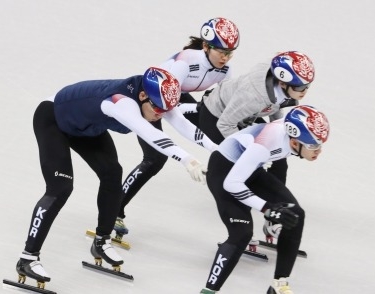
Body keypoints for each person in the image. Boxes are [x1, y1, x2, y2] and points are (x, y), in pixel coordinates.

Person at [14, 67, 212, 286]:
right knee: (60, 188)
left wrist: (220, 150)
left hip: (86, 127)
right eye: (156, 108)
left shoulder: (158, 99)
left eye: (165, 110)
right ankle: (28, 258)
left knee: (112, 174)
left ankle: (101, 241)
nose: (160, 114)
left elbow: (184, 125)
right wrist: (188, 160)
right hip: (54, 120)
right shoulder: (120, 102)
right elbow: (152, 135)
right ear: (143, 95)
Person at [114, 17, 240, 237]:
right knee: (155, 159)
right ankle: (115, 211)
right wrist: (198, 111)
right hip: (152, 99)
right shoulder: (186, 62)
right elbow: (168, 106)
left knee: (215, 131)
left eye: (230, 52)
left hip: (176, 97)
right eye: (220, 51)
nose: (225, 57)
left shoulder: (225, 71)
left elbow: (224, 105)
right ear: (205, 46)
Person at [199, 105, 330, 294]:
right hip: (224, 174)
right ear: (295, 143)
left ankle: (279, 284)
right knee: (242, 234)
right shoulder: (266, 144)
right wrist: (268, 209)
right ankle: (209, 291)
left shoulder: (289, 133)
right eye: (313, 146)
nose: (318, 151)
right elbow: (232, 184)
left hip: (249, 169)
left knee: (295, 214)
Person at [198, 51, 315, 244]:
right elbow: (225, 125)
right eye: (301, 86)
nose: (305, 91)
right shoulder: (254, 96)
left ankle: (273, 220)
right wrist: (251, 155)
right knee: (246, 172)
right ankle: (240, 227)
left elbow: (276, 105)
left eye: (308, 85)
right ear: (283, 83)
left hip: (245, 116)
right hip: (217, 116)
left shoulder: (280, 83)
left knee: (280, 162)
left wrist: (281, 132)